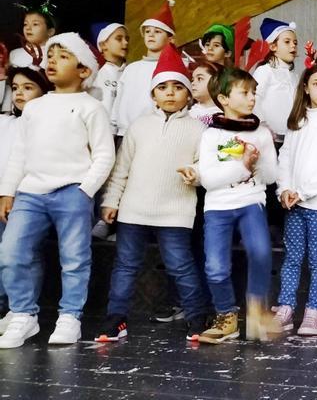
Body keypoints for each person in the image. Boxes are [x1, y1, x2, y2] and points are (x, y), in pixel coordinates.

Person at [0, 33, 114, 348]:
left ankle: (70, 317)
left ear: (83, 70)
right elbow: (20, 152)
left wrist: (85, 190)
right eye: (50, 56)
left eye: (62, 57)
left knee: (75, 257)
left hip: (71, 191)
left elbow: (104, 154)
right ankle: (23, 314)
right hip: (31, 192)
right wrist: (8, 191)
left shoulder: (91, 107)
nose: (52, 61)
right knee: (11, 252)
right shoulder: (35, 107)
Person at [96, 44, 212, 342]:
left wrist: (196, 174)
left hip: (175, 211)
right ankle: (116, 319)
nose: (170, 93)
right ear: (152, 94)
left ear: (189, 93)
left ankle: (197, 317)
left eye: (177, 87)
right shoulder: (139, 126)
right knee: (125, 265)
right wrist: (112, 201)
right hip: (133, 210)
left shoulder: (198, 129)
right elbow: (121, 168)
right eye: (163, 87)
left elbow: (204, 165)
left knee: (180, 265)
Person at [197, 68, 278, 344]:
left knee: (261, 252)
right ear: (224, 99)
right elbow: (208, 180)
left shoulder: (262, 133)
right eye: (244, 93)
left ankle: (256, 311)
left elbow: (270, 177)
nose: (252, 98)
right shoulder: (211, 135)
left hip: (251, 201)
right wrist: (242, 166)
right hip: (218, 206)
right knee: (216, 268)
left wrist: (259, 162)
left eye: (254, 92)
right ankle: (226, 316)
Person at [273, 53, 317, 336]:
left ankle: (314, 312)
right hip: (293, 202)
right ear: (306, 87)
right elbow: (285, 158)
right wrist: (285, 189)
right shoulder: (298, 121)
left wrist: (303, 192)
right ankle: (286, 308)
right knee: (292, 257)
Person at [0, 66, 52, 334]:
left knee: (25, 253)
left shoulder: (46, 123)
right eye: (16, 87)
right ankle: (10, 307)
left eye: (28, 87)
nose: (19, 93)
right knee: (5, 253)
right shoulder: (5, 122)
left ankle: (23, 309)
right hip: (4, 196)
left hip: (31, 196)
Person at [112, 0, 176, 137]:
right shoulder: (131, 69)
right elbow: (119, 100)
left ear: (170, 39)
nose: (151, 35)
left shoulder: (171, 70)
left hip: (156, 133)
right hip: (124, 133)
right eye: (147, 31)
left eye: (158, 31)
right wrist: (113, 128)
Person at [252, 18, 299, 144]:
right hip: (270, 137)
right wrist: (262, 124)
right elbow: (254, 98)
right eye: (287, 42)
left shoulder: (295, 75)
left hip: (291, 136)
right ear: (273, 46)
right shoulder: (265, 71)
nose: (293, 45)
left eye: (295, 42)